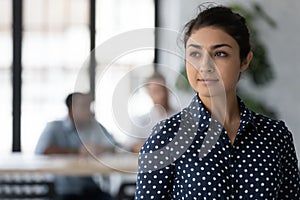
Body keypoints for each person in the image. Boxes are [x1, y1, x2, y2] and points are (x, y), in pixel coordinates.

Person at [135, 5, 300, 199]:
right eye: (195, 54)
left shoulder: (276, 136)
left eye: (220, 53)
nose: (205, 66)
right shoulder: (166, 138)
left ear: (245, 60)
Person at [35, 92, 115, 200]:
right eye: (84, 107)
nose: (90, 111)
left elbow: (115, 145)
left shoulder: (94, 126)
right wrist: (76, 151)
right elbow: (41, 150)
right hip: (63, 190)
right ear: (71, 109)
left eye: (89, 106)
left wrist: (101, 148)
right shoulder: (54, 127)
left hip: (89, 188)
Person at [130, 72, 177, 153]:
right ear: (149, 93)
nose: (160, 95)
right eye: (154, 91)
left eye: (161, 90)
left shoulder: (180, 117)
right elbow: (132, 145)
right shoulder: (142, 120)